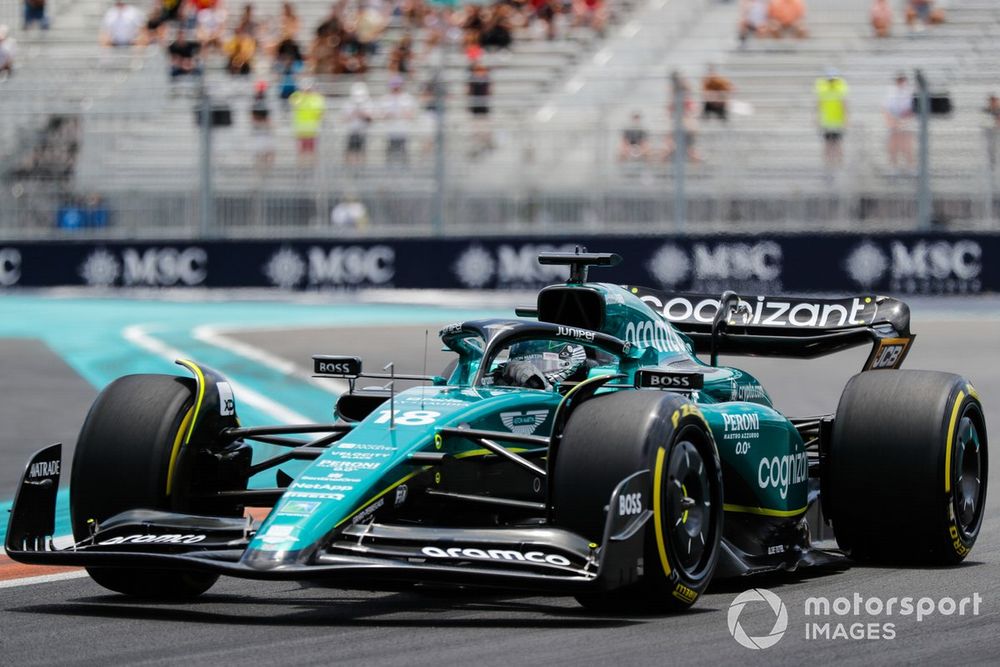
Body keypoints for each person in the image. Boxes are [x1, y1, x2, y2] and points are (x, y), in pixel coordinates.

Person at [814, 68, 848, 168]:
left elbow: (844, 105)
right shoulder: (823, 89)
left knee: (838, 144)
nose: (831, 82)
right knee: (828, 144)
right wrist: (817, 118)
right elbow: (819, 105)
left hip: (837, 121)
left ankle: (839, 165)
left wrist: (846, 119)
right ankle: (828, 165)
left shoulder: (840, 89)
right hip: (827, 122)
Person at [380, 76, 416, 166]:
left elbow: (411, 114)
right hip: (390, 131)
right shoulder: (386, 98)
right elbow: (382, 115)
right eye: (394, 86)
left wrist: (400, 112)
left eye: (397, 86)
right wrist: (390, 114)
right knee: (390, 153)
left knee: (403, 152)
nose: (395, 88)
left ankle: (405, 170)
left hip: (403, 130)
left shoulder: (407, 98)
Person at [289, 77, 325, 166]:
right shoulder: (296, 95)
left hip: (312, 129)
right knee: (301, 151)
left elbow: (320, 112)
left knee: (312, 150)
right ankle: (301, 169)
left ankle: (311, 168)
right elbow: (294, 103)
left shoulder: (317, 98)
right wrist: (303, 96)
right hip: (300, 129)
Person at [883, 73, 914, 171]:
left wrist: (905, 120)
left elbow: (912, 109)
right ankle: (893, 167)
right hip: (894, 121)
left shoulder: (909, 93)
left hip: (906, 121)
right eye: (899, 81)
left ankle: (910, 166)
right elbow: (885, 109)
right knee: (893, 145)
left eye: (903, 81)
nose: (901, 83)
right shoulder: (891, 93)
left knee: (906, 145)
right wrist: (892, 122)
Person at [343, 82, 373, 165]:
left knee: (362, 153)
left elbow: (370, 118)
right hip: (352, 131)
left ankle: (361, 170)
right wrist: (354, 113)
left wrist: (361, 113)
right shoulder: (348, 103)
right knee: (350, 152)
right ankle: (351, 170)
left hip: (363, 132)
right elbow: (344, 118)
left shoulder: (368, 103)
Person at [467, 61, 493, 157]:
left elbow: (489, 91)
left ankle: (485, 142)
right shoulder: (472, 79)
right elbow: (469, 91)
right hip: (475, 106)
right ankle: (477, 144)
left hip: (484, 106)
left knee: (484, 124)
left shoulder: (486, 79)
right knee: (476, 125)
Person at [251, 80, 275, 170]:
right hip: (260, 127)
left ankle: (265, 167)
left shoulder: (265, 99)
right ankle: (261, 167)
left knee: (267, 149)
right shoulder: (256, 100)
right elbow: (253, 115)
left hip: (264, 127)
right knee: (260, 149)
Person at [982, 94, 1000, 173]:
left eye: (994, 101)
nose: (992, 102)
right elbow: (983, 121)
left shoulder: (997, 109)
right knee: (991, 148)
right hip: (990, 131)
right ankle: (992, 163)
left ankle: (993, 163)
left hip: (995, 130)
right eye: (991, 101)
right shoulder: (986, 110)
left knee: (993, 147)